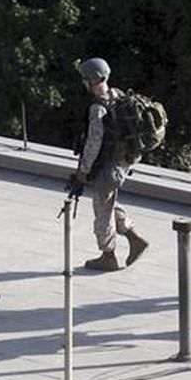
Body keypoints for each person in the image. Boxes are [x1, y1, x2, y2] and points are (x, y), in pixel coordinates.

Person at [72, 57, 149, 271]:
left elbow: (93, 144)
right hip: (122, 162)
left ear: (92, 80)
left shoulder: (98, 108)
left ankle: (108, 255)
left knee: (102, 211)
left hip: (107, 167)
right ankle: (134, 238)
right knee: (109, 203)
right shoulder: (118, 95)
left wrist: (83, 171)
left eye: (85, 80)